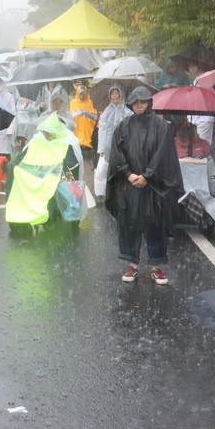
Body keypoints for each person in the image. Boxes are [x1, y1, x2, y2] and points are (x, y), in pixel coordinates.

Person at [106, 87, 183, 285]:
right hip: (129, 185)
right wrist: (129, 174)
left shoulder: (161, 126)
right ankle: (132, 265)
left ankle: (157, 267)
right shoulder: (124, 125)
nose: (139, 105)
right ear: (130, 104)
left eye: (143, 101)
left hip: (155, 186)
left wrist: (147, 176)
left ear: (149, 102)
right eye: (135, 102)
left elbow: (163, 154)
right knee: (130, 223)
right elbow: (117, 152)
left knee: (155, 224)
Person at [5, 113, 82, 232]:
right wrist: (14, 165)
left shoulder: (66, 142)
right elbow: (23, 157)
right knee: (18, 178)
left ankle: (51, 217)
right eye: (45, 133)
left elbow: (73, 165)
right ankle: (23, 217)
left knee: (54, 186)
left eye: (49, 133)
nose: (47, 136)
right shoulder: (38, 140)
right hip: (35, 173)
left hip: (54, 176)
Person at [94, 84, 131, 198]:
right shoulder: (106, 112)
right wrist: (101, 147)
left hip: (123, 144)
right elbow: (102, 130)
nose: (114, 96)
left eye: (116, 93)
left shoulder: (127, 112)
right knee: (106, 168)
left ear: (121, 94)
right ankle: (104, 191)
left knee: (123, 166)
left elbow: (131, 129)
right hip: (109, 145)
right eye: (112, 93)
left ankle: (123, 190)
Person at [69, 84, 98, 152]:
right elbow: (70, 116)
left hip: (87, 130)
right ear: (77, 93)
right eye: (80, 94)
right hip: (77, 128)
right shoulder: (73, 102)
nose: (82, 96)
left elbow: (95, 117)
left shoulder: (91, 103)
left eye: (84, 94)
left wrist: (86, 113)